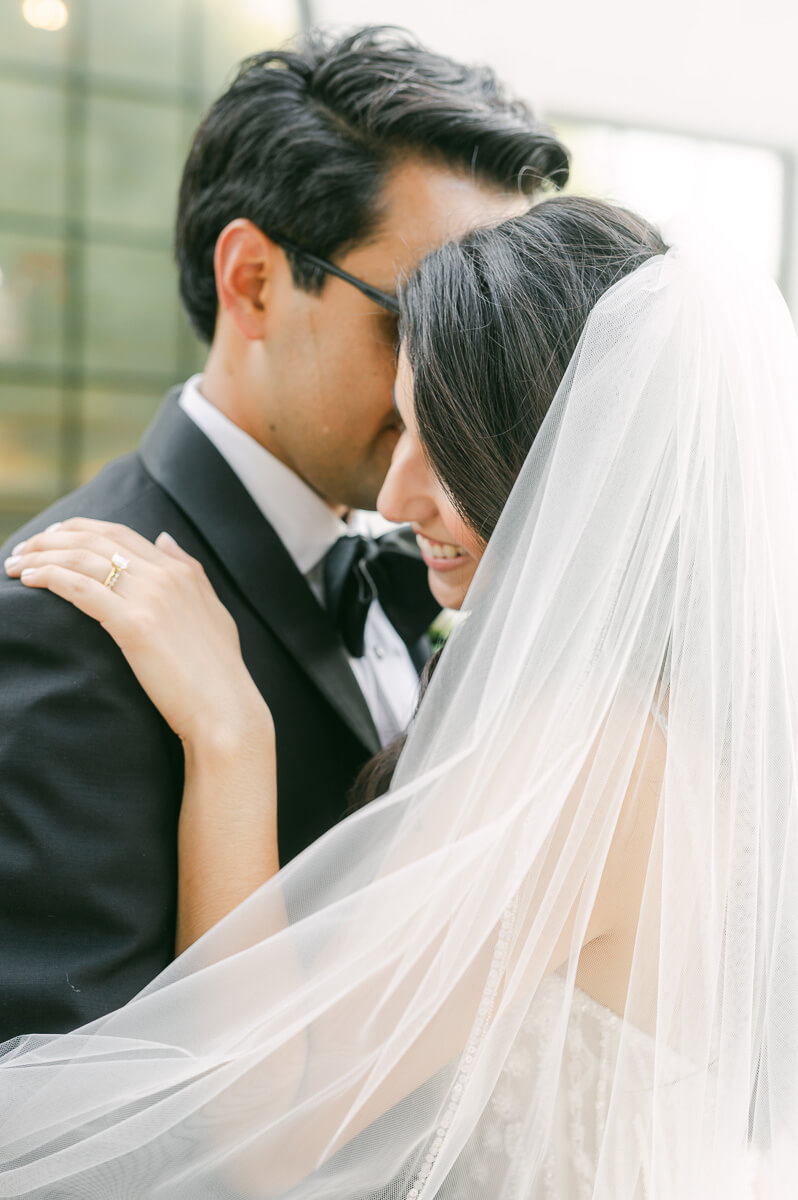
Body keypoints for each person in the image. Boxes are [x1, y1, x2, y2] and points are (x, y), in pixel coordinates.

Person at [3, 195, 797, 1198]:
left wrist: (229, 733)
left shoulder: (593, 751)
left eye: (447, 452)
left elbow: (262, 1141)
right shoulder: (690, 712)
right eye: (402, 433)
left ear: (566, 461)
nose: (395, 498)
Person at [0, 26, 568, 1041]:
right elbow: (72, 1129)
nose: (465, 387)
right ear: (253, 280)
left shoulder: (459, 565)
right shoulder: (68, 627)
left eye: (491, 338)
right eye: (422, 323)